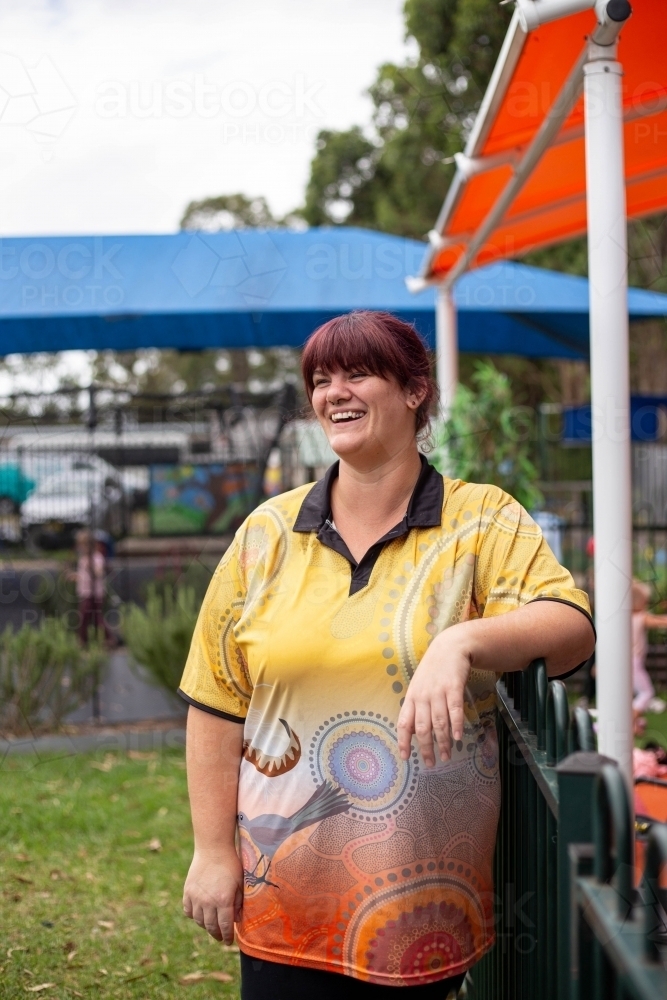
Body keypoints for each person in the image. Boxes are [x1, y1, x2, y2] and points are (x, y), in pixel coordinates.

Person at [179, 312, 595, 998]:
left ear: (413, 392)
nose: (333, 392)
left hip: (422, 912)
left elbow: (570, 623)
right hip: (282, 897)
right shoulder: (267, 532)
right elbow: (217, 701)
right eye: (319, 378)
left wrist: (460, 641)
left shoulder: (480, 518)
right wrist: (211, 851)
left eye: (357, 373)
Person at [632, 579, 667, 718]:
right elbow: (662, 622)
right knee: (647, 693)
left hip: (624, 663)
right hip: (633, 664)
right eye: (645, 600)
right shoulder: (641, 617)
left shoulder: (624, 618)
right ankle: (629, 720)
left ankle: (634, 725)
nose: (647, 603)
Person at [73, 528, 106, 644]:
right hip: (85, 592)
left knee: (93, 617)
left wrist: (91, 567)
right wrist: (75, 576)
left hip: (94, 593)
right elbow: (83, 575)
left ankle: (106, 638)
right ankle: (84, 639)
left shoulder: (97, 558)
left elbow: (99, 573)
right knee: (86, 617)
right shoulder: (83, 559)